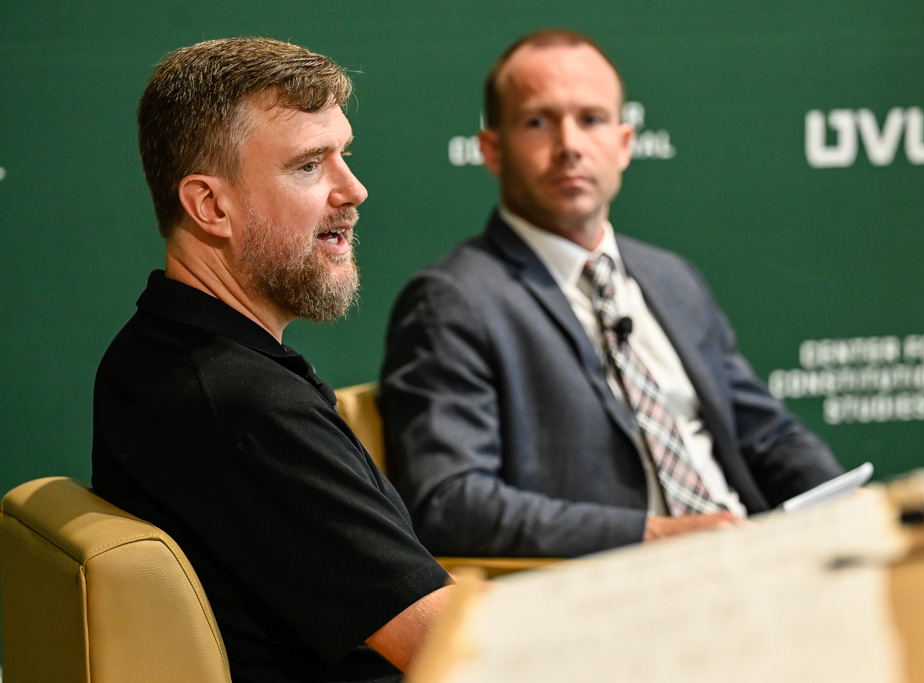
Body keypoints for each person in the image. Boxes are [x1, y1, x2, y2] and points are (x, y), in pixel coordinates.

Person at [379, 29, 845, 559]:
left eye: (592, 119)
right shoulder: (454, 301)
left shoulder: (671, 278)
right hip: (615, 585)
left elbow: (765, 433)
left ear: (624, 144)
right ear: (492, 150)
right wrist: (653, 535)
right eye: (538, 122)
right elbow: (451, 502)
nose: (570, 146)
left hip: (752, 557)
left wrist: (848, 505)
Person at [91, 37, 452, 683]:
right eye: (309, 166)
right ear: (210, 206)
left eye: (344, 155)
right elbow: (460, 652)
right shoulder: (252, 413)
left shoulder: (148, 347)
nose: (355, 190)